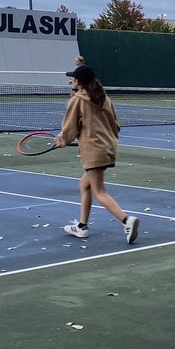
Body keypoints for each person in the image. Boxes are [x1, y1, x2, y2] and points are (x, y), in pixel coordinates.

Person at [55, 65, 139, 244]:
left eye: (73, 78)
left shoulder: (78, 100)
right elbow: (115, 125)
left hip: (94, 151)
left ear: (78, 81)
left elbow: (70, 128)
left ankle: (127, 221)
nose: (71, 81)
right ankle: (82, 226)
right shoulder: (103, 97)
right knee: (84, 185)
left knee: (99, 191)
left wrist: (61, 140)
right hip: (108, 147)